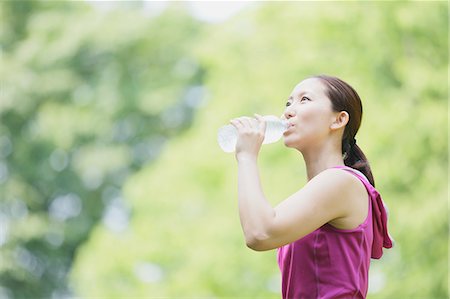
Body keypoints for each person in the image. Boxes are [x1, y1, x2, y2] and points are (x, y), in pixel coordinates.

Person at [229, 75, 393, 299]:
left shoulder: (342, 182)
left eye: (304, 100)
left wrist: (247, 157)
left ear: (338, 120)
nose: (288, 111)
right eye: (288, 103)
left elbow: (259, 233)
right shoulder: (320, 192)